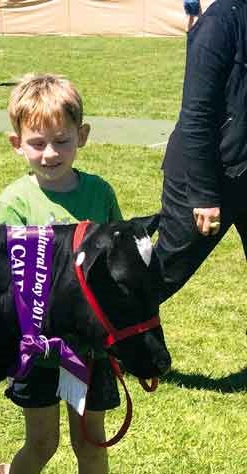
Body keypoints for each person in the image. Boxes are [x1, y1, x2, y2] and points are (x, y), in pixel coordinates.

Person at [0, 74, 135, 474]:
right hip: (38, 351)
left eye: (62, 141)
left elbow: (118, 265)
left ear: (84, 136)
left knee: (91, 442)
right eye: (37, 143)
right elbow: (8, 284)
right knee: (43, 441)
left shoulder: (100, 194)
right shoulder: (13, 203)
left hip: (92, 350)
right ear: (17, 144)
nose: (50, 153)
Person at [157, 0, 247, 302]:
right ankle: (87, 338)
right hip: (203, 176)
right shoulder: (220, 23)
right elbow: (196, 115)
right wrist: (205, 195)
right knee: (159, 278)